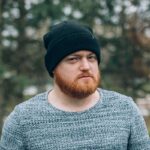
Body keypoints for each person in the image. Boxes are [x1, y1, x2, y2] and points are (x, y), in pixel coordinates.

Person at [0, 21, 150, 150]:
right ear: (53, 67)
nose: (86, 66)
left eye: (91, 58)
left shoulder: (125, 109)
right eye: (73, 59)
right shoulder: (23, 119)